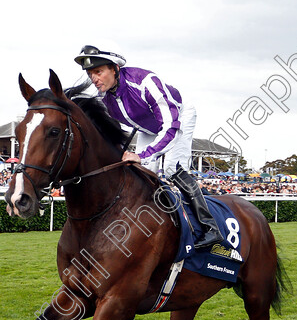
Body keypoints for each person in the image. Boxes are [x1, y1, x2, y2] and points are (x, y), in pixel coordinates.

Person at [74, 45, 223, 249]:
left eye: (98, 72)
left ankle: (210, 228)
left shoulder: (145, 82)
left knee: (173, 168)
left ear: (115, 69)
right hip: (147, 127)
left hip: (178, 117)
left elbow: (170, 127)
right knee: (143, 173)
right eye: (91, 74)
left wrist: (142, 155)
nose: (94, 79)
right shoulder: (106, 99)